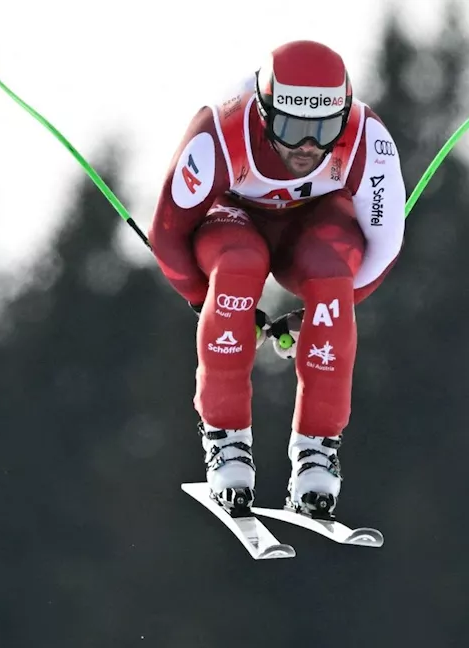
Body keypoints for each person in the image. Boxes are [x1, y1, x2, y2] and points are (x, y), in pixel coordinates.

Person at [148, 39, 405, 519]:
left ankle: (316, 452)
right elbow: (168, 233)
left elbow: (382, 247)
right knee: (239, 270)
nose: (308, 147)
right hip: (233, 221)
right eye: (290, 129)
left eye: (325, 130)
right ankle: (226, 441)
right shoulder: (221, 131)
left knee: (332, 280)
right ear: (265, 113)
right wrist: (206, 302)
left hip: (312, 227)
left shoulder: (368, 139)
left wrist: (318, 316)